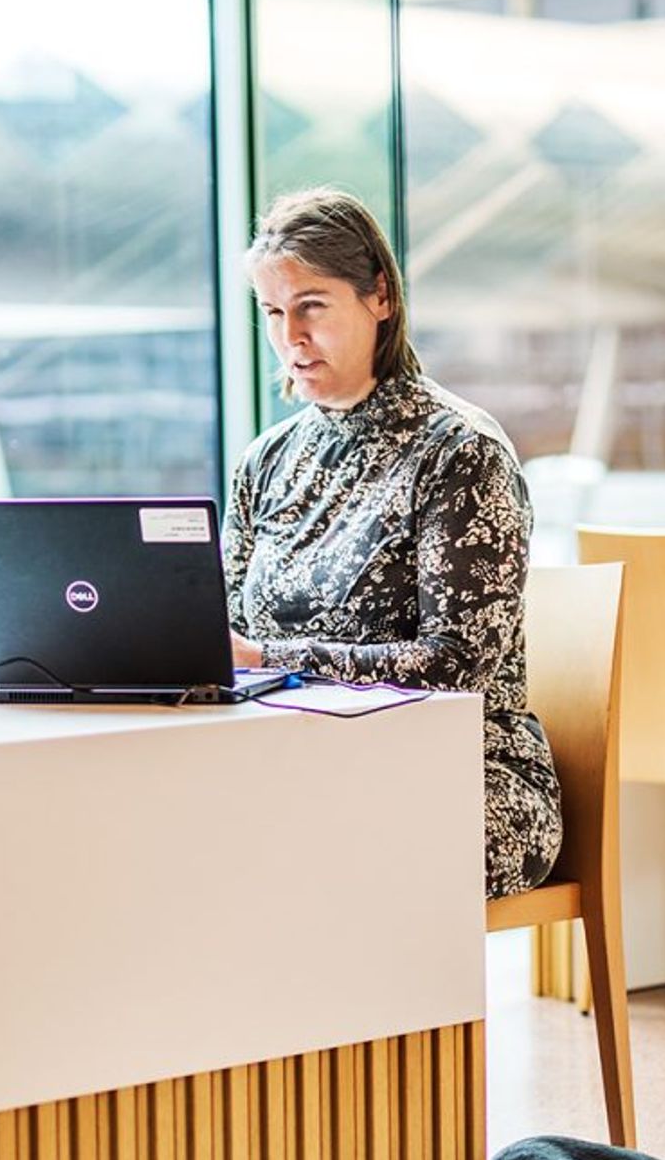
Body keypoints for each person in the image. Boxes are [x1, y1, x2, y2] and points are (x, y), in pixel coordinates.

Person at [225, 186, 562, 899]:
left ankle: (342, 1016)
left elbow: (456, 664)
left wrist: (269, 658)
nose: (290, 337)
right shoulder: (265, 462)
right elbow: (219, 634)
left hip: (466, 773)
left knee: (301, 845)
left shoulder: (458, 452)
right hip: (297, 761)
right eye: (273, 313)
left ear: (378, 296)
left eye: (311, 306)